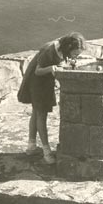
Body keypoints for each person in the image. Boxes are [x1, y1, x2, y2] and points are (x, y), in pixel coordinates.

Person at [17, 32, 86, 163]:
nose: (76, 56)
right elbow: (38, 71)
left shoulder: (61, 49)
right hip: (36, 82)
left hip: (43, 81)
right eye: (75, 53)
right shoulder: (49, 50)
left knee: (36, 113)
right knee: (41, 115)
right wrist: (51, 68)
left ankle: (31, 147)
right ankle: (46, 151)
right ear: (68, 47)